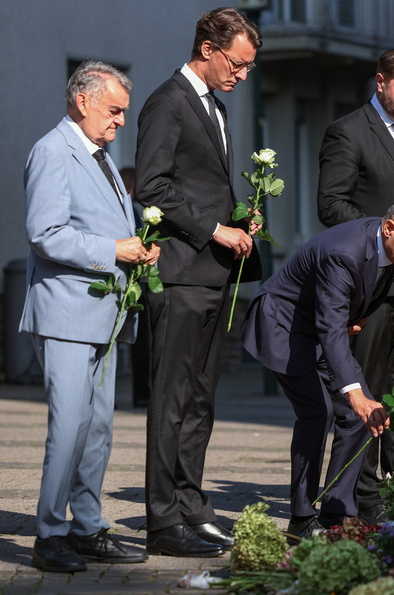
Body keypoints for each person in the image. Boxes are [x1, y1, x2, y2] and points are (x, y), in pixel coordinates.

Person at [134, 7, 262, 557]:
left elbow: (206, 185)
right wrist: (214, 228)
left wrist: (240, 218)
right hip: (181, 274)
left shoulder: (216, 107)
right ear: (208, 50)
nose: (242, 75)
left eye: (250, 67)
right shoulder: (168, 103)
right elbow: (153, 186)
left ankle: (191, 504)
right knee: (171, 400)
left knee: (202, 400)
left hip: (214, 274)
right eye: (238, 63)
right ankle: (163, 521)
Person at [20, 61, 157, 572]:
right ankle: (50, 533)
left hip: (103, 313)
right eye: (114, 109)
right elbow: (45, 233)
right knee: (71, 425)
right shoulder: (53, 151)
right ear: (82, 101)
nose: (121, 120)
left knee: (98, 428)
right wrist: (113, 249)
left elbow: (104, 227)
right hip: (66, 313)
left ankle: (86, 526)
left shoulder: (97, 155)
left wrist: (138, 249)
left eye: (124, 111)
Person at [242, 198, 394, 538]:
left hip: (320, 329)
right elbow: (330, 329)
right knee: (317, 412)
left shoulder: (391, 244)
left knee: (363, 416)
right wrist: (355, 392)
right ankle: (301, 519)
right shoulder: (344, 252)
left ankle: (337, 513)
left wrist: (360, 396)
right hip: (283, 327)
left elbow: (337, 317)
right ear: (390, 228)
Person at [316, 48, 394, 524]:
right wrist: (389, 235)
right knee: (366, 387)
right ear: (381, 83)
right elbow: (331, 205)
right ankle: (360, 495)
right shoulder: (348, 132)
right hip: (373, 283)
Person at [119, 166, 152, 410]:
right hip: (136, 283)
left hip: (127, 281)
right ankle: (141, 394)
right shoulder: (132, 211)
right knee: (140, 343)